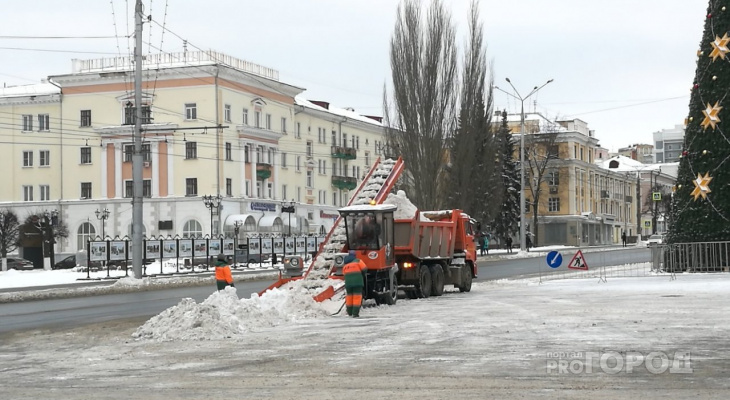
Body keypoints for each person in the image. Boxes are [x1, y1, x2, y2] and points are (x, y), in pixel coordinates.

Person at [342, 251, 367, 317]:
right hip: (357, 282)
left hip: (348, 283)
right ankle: (355, 313)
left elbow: (344, 274)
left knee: (349, 297)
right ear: (354, 256)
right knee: (357, 297)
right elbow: (365, 269)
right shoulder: (358, 261)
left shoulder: (345, 264)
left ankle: (349, 313)